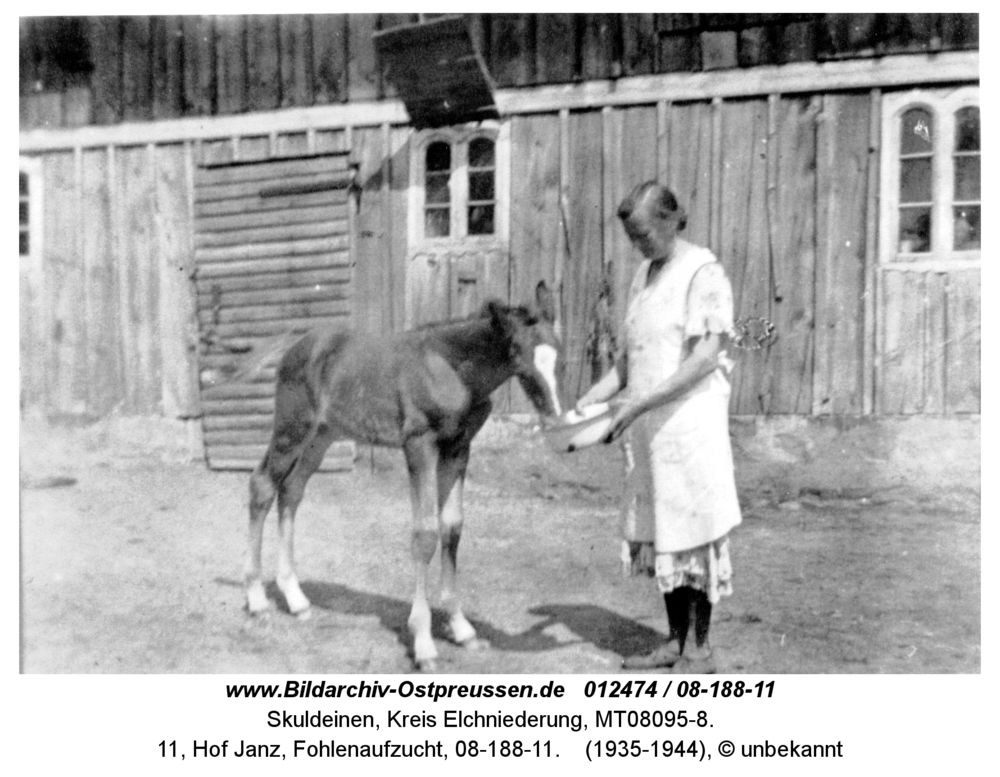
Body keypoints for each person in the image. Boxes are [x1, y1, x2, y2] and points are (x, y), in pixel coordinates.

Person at [575, 182, 742, 673]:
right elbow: (627, 366)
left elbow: (706, 358)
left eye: (644, 234)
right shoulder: (643, 275)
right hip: (650, 429)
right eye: (632, 238)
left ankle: (701, 650)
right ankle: (673, 642)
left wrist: (639, 403)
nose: (639, 246)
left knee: (694, 533)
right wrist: (588, 403)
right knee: (663, 532)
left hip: (691, 427)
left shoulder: (703, 272)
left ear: (672, 220)